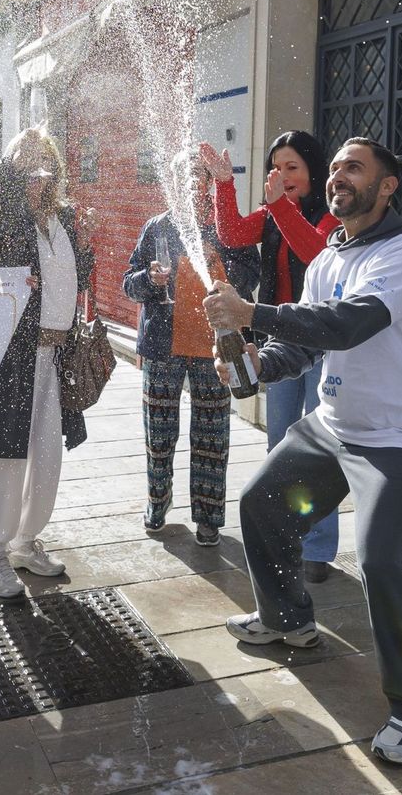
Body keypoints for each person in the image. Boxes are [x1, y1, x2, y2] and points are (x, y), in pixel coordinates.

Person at [202, 137, 402, 766]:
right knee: (262, 502)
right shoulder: (328, 258)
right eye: (334, 168)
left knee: (381, 563)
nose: (338, 177)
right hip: (335, 424)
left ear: (387, 185)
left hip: (394, 436)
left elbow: (347, 324)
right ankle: (287, 618)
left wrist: (252, 311)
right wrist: (256, 366)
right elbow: (310, 346)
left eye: (353, 168)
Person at [201, 134, 343, 580]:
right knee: (280, 446)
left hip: (321, 347)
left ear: (313, 172)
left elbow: (316, 255)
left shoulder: (331, 219)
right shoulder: (271, 214)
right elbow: (232, 234)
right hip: (278, 347)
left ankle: (318, 550)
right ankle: (284, 537)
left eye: (293, 167)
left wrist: (280, 207)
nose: (283, 176)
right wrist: (225, 184)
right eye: (276, 168)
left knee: (319, 451)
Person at [0, 128, 93, 597]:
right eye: (26, 160)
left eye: (44, 159)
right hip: (12, 357)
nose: (37, 169)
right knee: (1, 456)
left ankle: (24, 541)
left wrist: (88, 242)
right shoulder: (1, 209)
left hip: (54, 355)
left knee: (44, 455)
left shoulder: (61, 217)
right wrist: (12, 164)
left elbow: (76, 273)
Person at [123, 153, 259, 546]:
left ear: (211, 181)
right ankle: (157, 503)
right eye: (186, 175)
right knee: (159, 434)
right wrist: (147, 279)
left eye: (200, 175)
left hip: (217, 349)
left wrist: (221, 268)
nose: (194, 183)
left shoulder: (228, 225)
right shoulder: (158, 227)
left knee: (212, 436)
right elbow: (129, 283)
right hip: (164, 349)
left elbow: (253, 273)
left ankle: (208, 517)